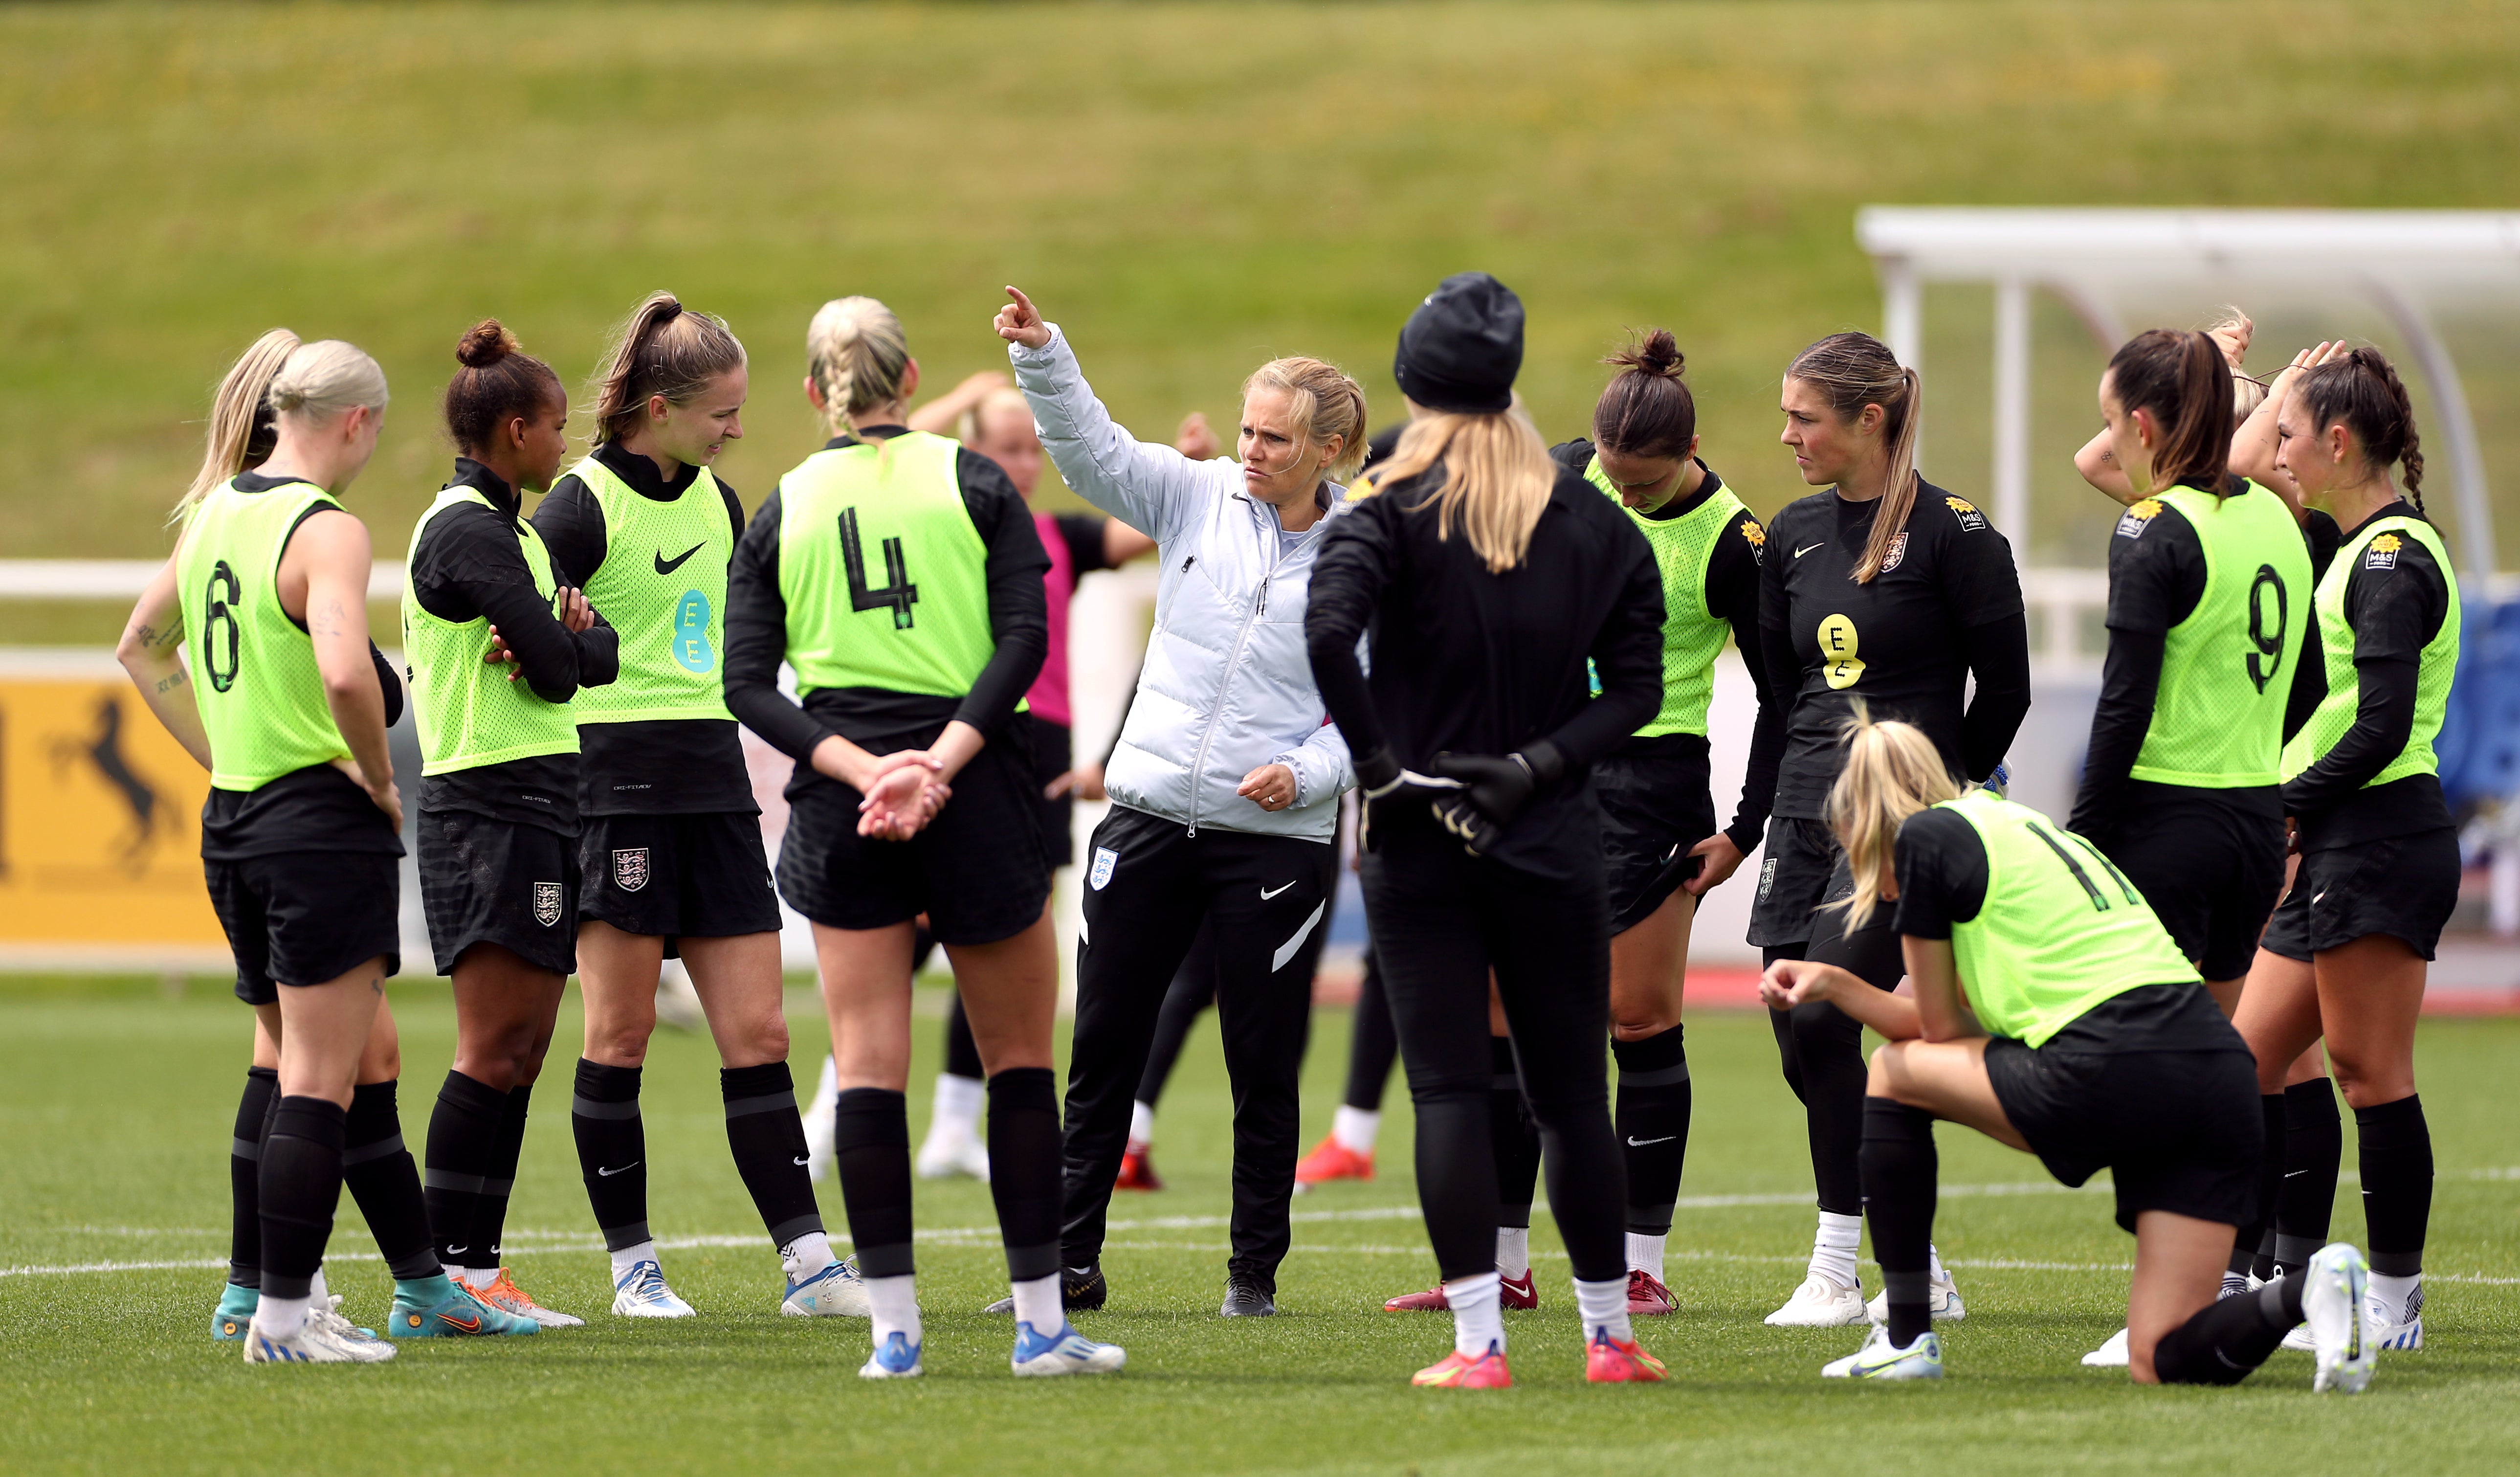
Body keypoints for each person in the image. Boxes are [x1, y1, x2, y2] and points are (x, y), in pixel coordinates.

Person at [726, 294, 1121, 1380]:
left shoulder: (786, 499)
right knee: (1022, 1065)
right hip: (978, 788)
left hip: (846, 801)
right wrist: (937, 764)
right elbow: (1024, 638)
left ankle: (894, 1334)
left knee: (868, 1070)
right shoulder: (977, 480)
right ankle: (1041, 1325)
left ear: (814, 394)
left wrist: (865, 768)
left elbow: (748, 685)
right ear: (913, 384)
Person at [1758, 713, 2376, 1392]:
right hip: (2215, 1074)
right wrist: (1838, 983)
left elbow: (1935, 1034)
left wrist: (1840, 988)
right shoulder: (2021, 826)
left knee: (1893, 1072)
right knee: (2160, 1357)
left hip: (2112, 1064)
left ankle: (1906, 1336)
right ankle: (2306, 1293)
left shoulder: (1926, 838)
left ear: (1866, 824)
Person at [1306, 271, 1670, 1387]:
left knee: (1453, 1091)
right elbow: (1639, 690)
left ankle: (1480, 1346)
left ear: (1414, 385)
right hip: (1554, 835)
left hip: (1422, 838)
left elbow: (1327, 636)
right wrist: (1534, 767)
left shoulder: (1386, 503)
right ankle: (1610, 1337)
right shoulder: (1594, 522)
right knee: (1571, 1093)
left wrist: (1380, 771)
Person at [998, 283, 1360, 1320]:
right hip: (1150, 817)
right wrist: (1044, 354)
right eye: (1247, 429)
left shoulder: (1361, 554)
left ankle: (1253, 1276)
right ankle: (1067, 1264)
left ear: (1328, 449)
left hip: (1277, 843)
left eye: (1278, 440)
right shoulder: (1193, 495)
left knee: (1263, 1063)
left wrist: (1310, 774)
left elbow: (1379, 708)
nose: (1252, 450)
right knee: (1103, 1046)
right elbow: (1092, 449)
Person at [116, 333, 459, 1362]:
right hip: (316, 822)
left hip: (236, 820)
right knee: (321, 1076)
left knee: (289, 1064)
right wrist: (380, 777)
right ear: (356, 422)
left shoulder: (215, 507)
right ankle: (281, 1318)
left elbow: (141, 644)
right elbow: (351, 675)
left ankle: (273, 1298)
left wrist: (223, 753)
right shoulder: (328, 529)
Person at [531, 292, 852, 1320]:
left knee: (760, 1032)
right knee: (618, 1037)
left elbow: (755, 634)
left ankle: (809, 1262)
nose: (738, 428)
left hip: (714, 787)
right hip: (613, 794)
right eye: (722, 411)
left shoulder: (719, 500)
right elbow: (519, 639)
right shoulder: (577, 507)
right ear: (659, 409)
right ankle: (634, 1268)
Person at [1753, 331, 2030, 1328]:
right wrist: (1755, 821)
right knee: (1796, 1028)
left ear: (1870, 419)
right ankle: (1915, 1256)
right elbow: (1783, 696)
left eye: (1804, 417)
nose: (1786, 434)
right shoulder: (1789, 533)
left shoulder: (1956, 533)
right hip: (1804, 809)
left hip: (1898, 822)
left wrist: (1941, 792)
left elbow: (2007, 689)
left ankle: (1836, 1269)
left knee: (1830, 1014)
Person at [2062, 326, 2320, 1366]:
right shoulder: (2279, 515)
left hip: (2166, 826)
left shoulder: (2153, 529)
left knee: (2164, 1073)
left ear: (2143, 423)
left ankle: (2163, 1312)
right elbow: (2303, 681)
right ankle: (2238, 1280)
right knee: (2225, 1069)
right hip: (2255, 824)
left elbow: (2123, 703)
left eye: (2114, 412)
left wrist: (2084, 832)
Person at [830, 377, 1155, 1186]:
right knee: (903, 933)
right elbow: (875, 447)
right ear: (967, 453)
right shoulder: (942, 521)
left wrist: (1176, 468)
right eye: (1003, 449)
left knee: (1006, 938)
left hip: (1038, 752)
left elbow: (1134, 536)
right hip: (959, 740)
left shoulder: (1053, 533)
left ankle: (949, 1125)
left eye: (1029, 450)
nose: (1021, 465)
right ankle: (834, 1106)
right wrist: (968, 394)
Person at [2230, 346, 2458, 1354]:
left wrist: (2286, 799)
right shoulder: (2350, 540)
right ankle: (2244, 1280)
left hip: (2382, 836)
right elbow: (2236, 469)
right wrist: (2281, 384)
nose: (2276, 450)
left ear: (2338, 441)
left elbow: (2382, 725)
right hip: (2336, 836)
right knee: (2243, 1063)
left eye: (2292, 433)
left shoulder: (2391, 560)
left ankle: (2397, 1298)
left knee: (2371, 1073)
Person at [402, 320, 623, 1329]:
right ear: (515, 429)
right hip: (483, 800)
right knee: (492, 1046)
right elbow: (555, 663)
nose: (565, 448)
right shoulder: (464, 529)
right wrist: (559, 640)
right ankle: (440, 1283)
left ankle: (477, 1276)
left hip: (538, 796)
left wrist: (563, 637)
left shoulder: (522, 534)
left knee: (525, 1046)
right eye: (556, 430)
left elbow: (598, 653)